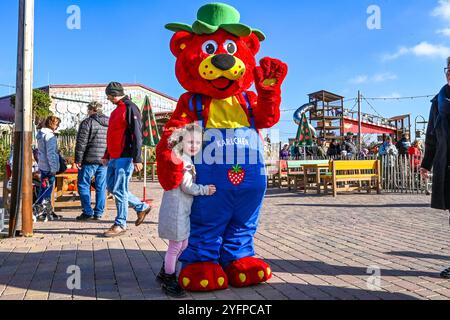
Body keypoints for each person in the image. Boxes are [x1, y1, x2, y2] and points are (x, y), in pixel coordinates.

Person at [157, 124, 217, 297]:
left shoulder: (185, 158)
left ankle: (164, 271)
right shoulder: (181, 159)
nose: (194, 145)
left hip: (181, 209)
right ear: (182, 141)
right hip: (175, 209)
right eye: (190, 141)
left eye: (198, 143)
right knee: (176, 246)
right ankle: (169, 279)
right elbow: (187, 186)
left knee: (183, 244)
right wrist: (205, 189)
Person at [102, 82, 152, 238]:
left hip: (125, 156)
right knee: (112, 188)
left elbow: (137, 134)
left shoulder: (130, 108)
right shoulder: (116, 111)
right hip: (114, 156)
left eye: (109, 95)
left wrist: (137, 158)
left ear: (114, 93)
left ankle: (120, 223)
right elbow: (111, 135)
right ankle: (141, 206)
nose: (108, 98)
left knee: (120, 190)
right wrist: (106, 154)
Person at [420, 57, 450, 279]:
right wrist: (425, 164)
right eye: (448, 69)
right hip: (446, 166)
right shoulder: (437, 102)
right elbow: (431, 137)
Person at [75, 101, 109, 221]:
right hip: (104, 159)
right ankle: (99, 212)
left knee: (83, 185)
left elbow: (81, 142)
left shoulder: (87, 122)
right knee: (101, 186)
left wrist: (78, 159)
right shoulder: (109, 122)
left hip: (89, 159)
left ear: (91, 109)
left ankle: (87, 211)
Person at [35, 116, 62, 221]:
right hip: (48, 166)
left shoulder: (41, 134)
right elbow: (50, 153)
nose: (58, 126)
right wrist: (54, 168)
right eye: (57, 124)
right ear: (52, 124)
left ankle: (43, 211)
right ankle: (43, 212)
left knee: (43, 188)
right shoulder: (49, 136)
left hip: (43, 165)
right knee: (47, 190)